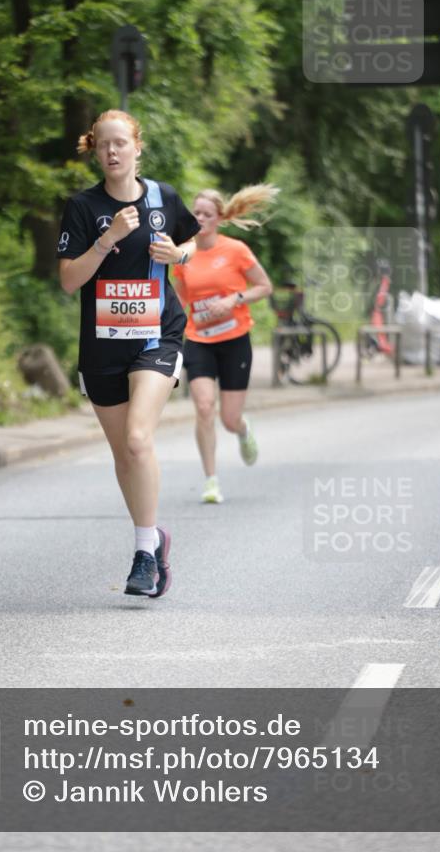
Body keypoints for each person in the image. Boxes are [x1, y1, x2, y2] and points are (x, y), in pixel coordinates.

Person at [56, 110, 199, 597]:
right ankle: (156, 538)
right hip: (101, 348)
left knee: (138, 440)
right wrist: (107, 239)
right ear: (95, 152)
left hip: (157, 336)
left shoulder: (163, 199)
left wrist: (180, 255)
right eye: (103, 145)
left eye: (121, 143)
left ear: (138, 147)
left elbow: (194, 239)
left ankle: (143, 555)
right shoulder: (83, 207)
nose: (113, 152)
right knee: (124, 454)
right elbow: (69, 280)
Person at [173, 185, 276, 503]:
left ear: (218, 218)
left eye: (206, 214)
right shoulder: (183, 253)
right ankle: (211, 481)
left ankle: (243, 429)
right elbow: (180, 298)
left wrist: (234, 299)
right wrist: (170, 331)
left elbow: (264, 286)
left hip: (234, 340)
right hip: (198, 339)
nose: (200, 218)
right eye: (196, 213)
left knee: (228, 419)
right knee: (204, 407)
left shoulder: (236, 250)